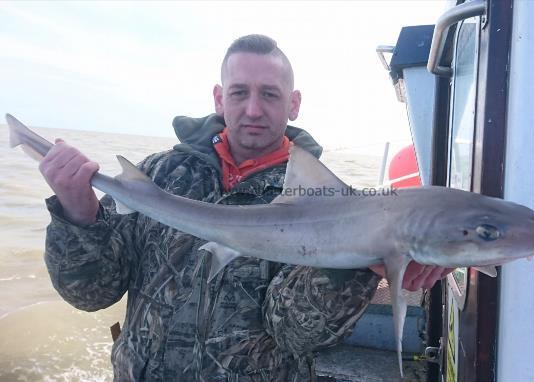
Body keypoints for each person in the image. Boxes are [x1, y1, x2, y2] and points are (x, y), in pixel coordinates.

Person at [40, 34, 452, 381]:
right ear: (220, 98)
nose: (253, 109)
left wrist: (361, 263)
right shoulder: (160, 176)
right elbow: (91, 294)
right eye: (240, 93)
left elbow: (295, 333)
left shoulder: (328, 204)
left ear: (293, 103)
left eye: (270, 95)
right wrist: (78, 214)